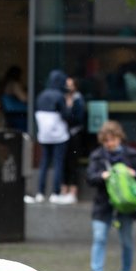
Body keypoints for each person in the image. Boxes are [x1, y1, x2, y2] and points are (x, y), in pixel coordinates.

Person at [85, 120, 136, 271]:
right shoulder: (97, 156)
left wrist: (132, 173)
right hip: (103, 204)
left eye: (112, 140)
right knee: (99, 237)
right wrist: (102, 176)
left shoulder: (131, 155)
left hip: (125, 206)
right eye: (106, 141)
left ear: (119, 138)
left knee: (126, 241)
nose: (109, 144)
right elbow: (90, 178)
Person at [29, 69, 70, 205]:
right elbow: (66, 115)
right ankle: (55, 193)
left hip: (44, 135)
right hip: (59, 135)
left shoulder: (41, 95)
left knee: (44, 163)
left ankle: (40, 192)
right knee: (58, 163)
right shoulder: (59, 95)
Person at [55, 76, 86, 205]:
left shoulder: (78, 99)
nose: (68, 88)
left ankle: (72, 192)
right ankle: (64, 190)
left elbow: (77, 118)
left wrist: (68, 108)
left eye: (70, 85)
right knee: (64, 162)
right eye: (66, 85)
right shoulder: (62, 98)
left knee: (73, 163)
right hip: (63, 134)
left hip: (75, 134)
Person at [0, 65, 28, 133]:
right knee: (21, 133)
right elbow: (24, 98)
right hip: (18, 114)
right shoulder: (14, 84)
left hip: (9, 113)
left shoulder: (6, 83)